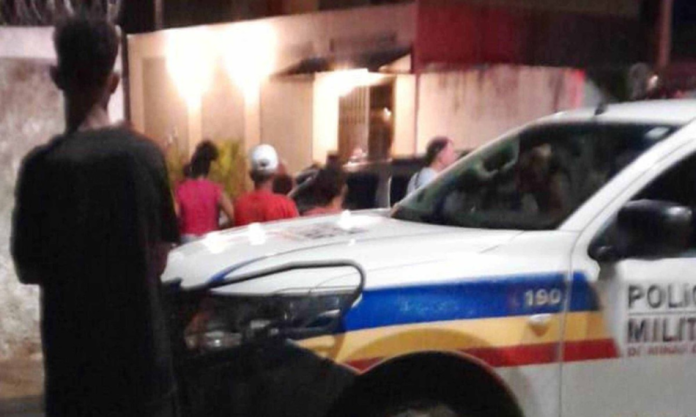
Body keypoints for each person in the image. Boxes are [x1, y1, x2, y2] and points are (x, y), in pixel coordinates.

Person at [11, 15, 180, 417]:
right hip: (143, 374)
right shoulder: (146, 156)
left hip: (76, 379)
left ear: (57, 77)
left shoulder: (40, 170)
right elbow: (160, 257)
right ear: (114, 81)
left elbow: (28, 268)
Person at [175, 140, 235, 242]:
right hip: (211, 241)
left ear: (192, 168)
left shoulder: (181, 190)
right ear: (208, 169)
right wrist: (222, 228)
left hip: (187, 242)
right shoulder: (216, 190)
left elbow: (173, 218)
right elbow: (233, 216)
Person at [234, 144, 299, 226]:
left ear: (251, 175)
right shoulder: (285, 205)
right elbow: (297, 231)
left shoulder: (240, 205)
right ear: (276, 173)